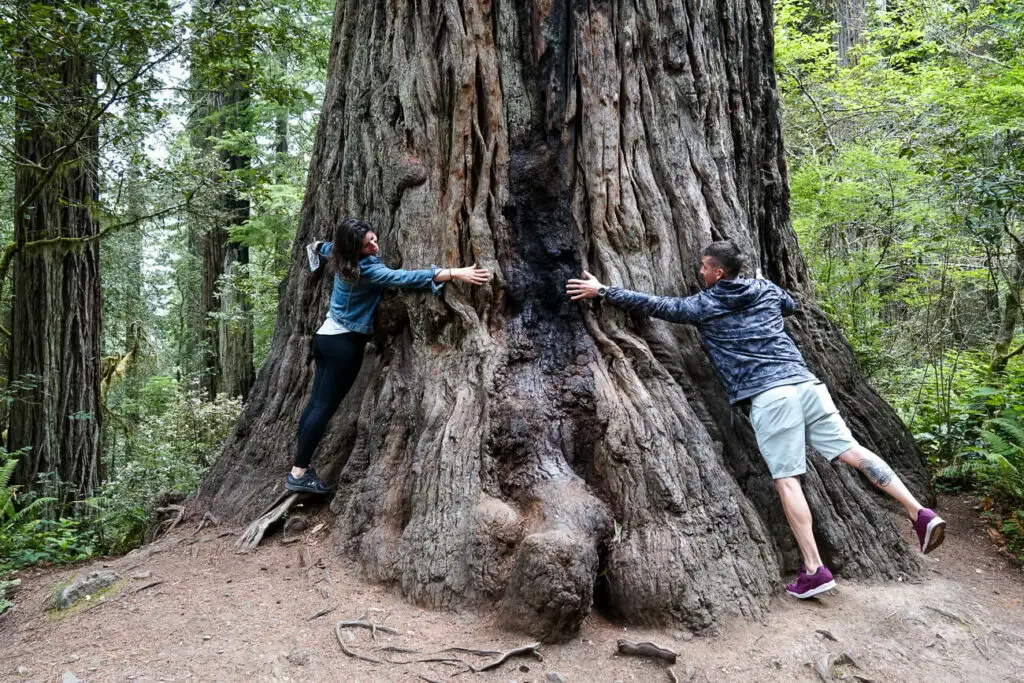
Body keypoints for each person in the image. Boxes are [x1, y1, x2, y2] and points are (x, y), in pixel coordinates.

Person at [565, 240, 945, 599]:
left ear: (717, 273)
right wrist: (767, 285)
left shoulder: (705, 306)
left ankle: (814, 569)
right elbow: (791, 304)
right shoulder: (766, 292)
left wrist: (603, 291)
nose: (699, 271)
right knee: (852, 451)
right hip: (807, 384)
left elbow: (657, 305)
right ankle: (918, 512)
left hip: (770, 396)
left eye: (703, 267)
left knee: (788, 481)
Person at [288, 217, 490, 495]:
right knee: (323, 408)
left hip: (325, 338)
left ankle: (301, 467)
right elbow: (404, 278)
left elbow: (320, 247)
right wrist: (453, 273)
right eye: (367, 244)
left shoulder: (338, 254)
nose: (375, 245)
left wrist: (316, 247)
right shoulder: (368, 270)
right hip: (344, 344)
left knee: (316, 405)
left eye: (373, 238)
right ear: (355, 249)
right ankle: (299, 473)